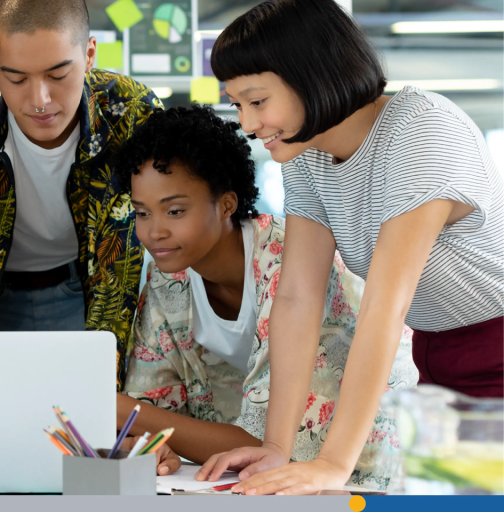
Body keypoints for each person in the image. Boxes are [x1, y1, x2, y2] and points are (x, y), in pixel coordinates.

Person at [196, 0, 504, 495]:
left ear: (313, 77)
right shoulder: (307, 154)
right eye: (236, 104)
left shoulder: (420, 131)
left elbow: (385, 308)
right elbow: (298, 297)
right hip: (439, 353)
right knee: (460, 500)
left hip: (496, 344)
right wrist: (278, 445)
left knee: (478, 500)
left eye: (257, 101)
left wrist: (334, 463)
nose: (248, 124)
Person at [117, 105, 418, 489]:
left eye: (174, 211)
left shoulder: (292, 262)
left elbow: (272, 443)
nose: (154, 231)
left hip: (362, 469)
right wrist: (151, 444)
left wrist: (125, 412)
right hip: (257, 479)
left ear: (226, 204)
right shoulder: (167, 279)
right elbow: (154, 415)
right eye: (142, 213)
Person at [0, 0, 161, 390]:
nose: (40, 99)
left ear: (90, 55)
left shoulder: (131, 113)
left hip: (83, 293)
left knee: (86, 424)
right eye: (16, 79)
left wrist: (106, 396)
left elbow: (120, 272)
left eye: (58, 74)